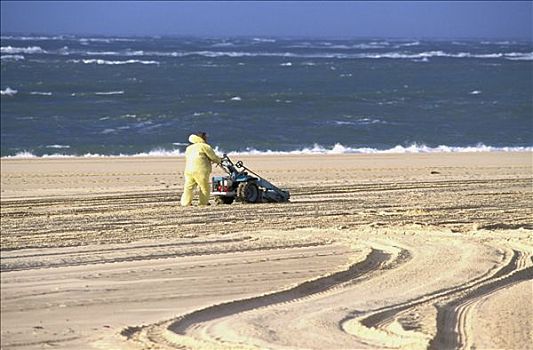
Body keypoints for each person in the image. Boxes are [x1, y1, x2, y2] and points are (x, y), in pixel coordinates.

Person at [180, 132, 221, 206]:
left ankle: (185, 203)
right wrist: (219, 160)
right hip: (200, 170)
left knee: (188, 187)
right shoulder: (205, 146)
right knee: (204, 187)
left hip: (189, 169)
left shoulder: (189, 148)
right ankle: (203, 202)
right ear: (203, 138)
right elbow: (213, 157)